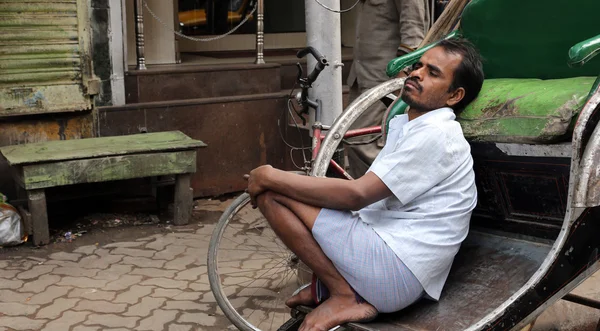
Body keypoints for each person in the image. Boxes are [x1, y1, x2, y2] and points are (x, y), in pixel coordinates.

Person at [245, 38, 484, 331]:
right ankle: (329, 288)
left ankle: (345, 295)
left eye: (433, 73)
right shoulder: (409, 125)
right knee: (297, 192)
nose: (417, 73)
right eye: (418, 65)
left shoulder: (437, 134)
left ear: (454, 95)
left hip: (397, 272)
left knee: (272, 192)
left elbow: (358, 196)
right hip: (396, 262)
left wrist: (270, 176)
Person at [346, 0, 432, 178]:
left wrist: (401, 82)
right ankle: (361, 199)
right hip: (361, 76)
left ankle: (381, 194)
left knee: (364, 143)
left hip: (384, 81)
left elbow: (413, 36)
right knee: (353, 139)